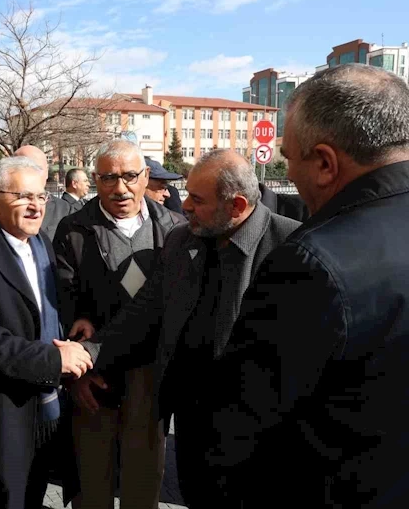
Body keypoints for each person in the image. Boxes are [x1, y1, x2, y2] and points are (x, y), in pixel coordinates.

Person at [206, 64, 409, 507]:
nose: (288, 174)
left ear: (323, 163)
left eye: (289, 158)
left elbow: (244, 430)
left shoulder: (310, 264)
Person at [80, 149, 299, 507]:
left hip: (258, 435)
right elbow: (143, 312)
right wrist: (88, 353)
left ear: (237, 206)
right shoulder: (182, 241)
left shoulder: (291, 247)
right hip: (191, 422)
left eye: (197, 199)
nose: (185, 206)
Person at [0, 156, 94, 509]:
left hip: (46, 409)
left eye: (41, 197)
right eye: (23, 196)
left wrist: (73, 320)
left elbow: (43, 305)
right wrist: (53, 359)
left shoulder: (40, 244)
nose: (36, 206)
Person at [54, 141, 184, 509]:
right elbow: (60, 299)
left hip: (150, 376)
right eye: (109, 177)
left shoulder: (175, 228)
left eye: (129, 176)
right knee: (93, 480)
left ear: (146, 177)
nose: (120, 187)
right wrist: (74, 374)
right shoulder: (72, 229)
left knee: (144, 480)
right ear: (95, 180)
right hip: (94, 377)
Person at [14, 145, 74, 240]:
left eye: (37, 169)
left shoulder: (65, 210)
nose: (32, 175)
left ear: (46, 172)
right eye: (25, 168)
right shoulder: (2, 207)